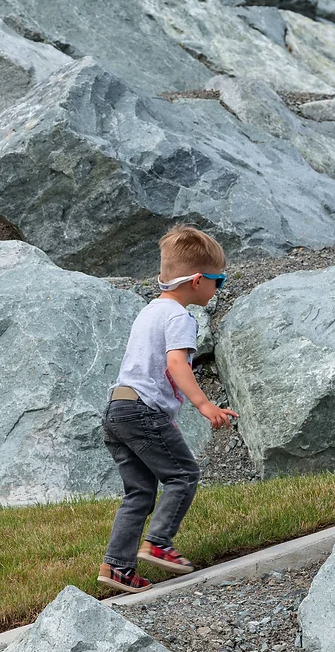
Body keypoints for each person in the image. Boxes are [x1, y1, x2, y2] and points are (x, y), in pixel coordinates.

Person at [97, 225, 239, 594]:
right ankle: (159, 542)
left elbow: (145, 369)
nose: (217, 289)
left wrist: (165, 418)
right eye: (218, 281)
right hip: (143, 412)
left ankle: (117, 567)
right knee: (183, 475)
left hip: (118, 410)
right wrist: (204, 404)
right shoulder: (180, 317)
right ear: (196, 280)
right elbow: (176, 365)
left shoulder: (150, 311)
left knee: (140, 493)